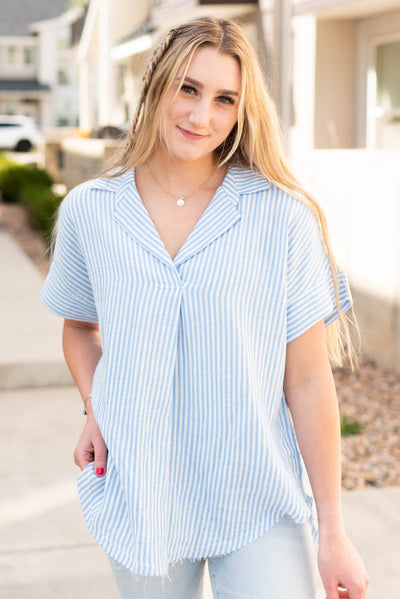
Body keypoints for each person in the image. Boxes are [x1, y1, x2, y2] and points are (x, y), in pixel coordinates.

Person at [41, 16, 369, 599]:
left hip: (258, 498)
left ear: (243, 111)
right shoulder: (91, 212)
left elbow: (311, 381)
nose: (201, 116)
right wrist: (97, 409)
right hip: (144, 495)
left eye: (225, 99)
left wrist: (334, 532)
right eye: (188, 88)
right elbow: (80, 329)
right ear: (156, 86)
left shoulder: (282, 217)